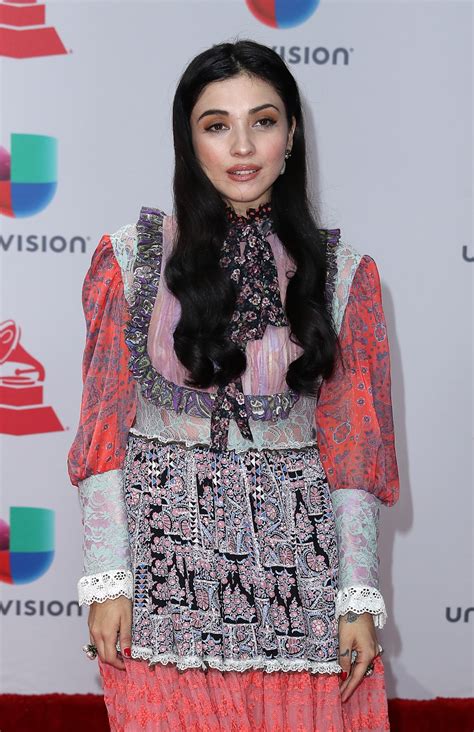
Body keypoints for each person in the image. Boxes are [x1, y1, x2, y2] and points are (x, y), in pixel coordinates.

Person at [68, 40, 400, 731]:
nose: (242, 146)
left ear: (293, 133)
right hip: (165, 570)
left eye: (264, 120)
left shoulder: (345, 273)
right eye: (216, 125)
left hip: (299, 575)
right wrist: (108, 579)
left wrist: (358, 597)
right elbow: (102, 430)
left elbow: (352, 450)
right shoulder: (130, 258)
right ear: (189, 141)